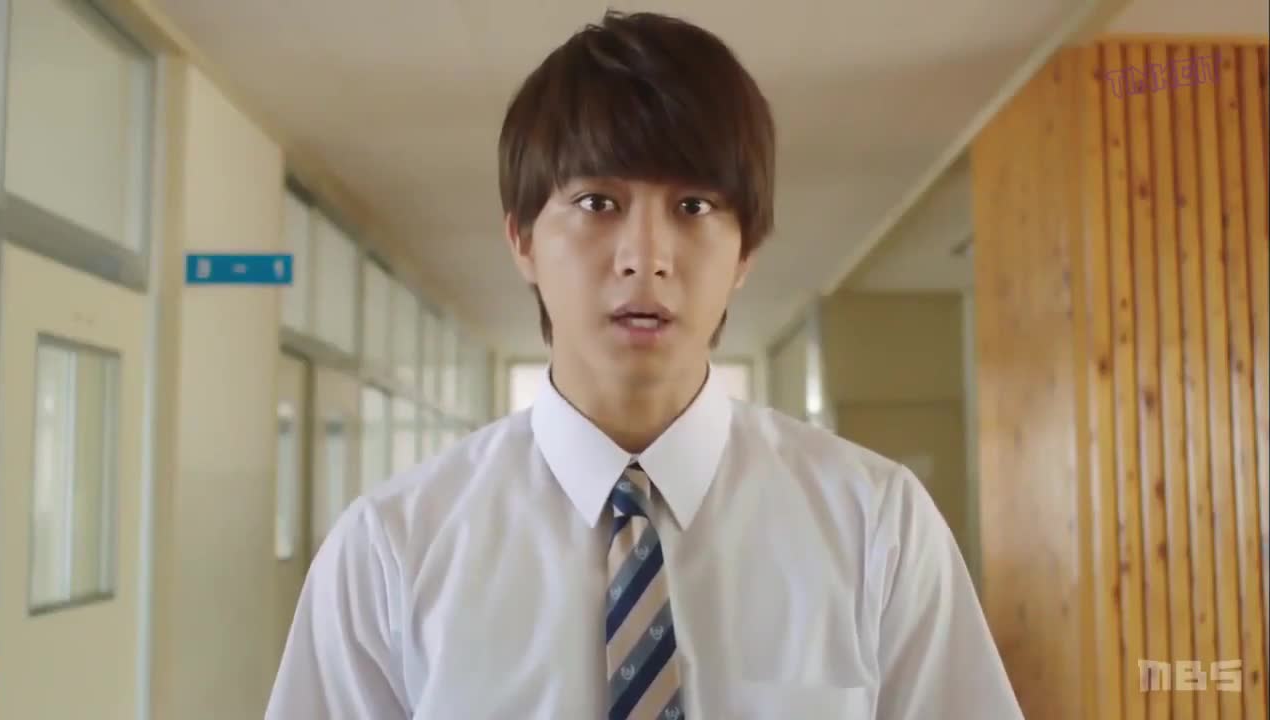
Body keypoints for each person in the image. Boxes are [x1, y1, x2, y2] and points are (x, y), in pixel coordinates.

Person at [265, 10, 1025, 720]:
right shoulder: (392, 550)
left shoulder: (875, 526)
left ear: (746, 252)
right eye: (598, 203)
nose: (646, 257)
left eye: (694, 207)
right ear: (521, 239)